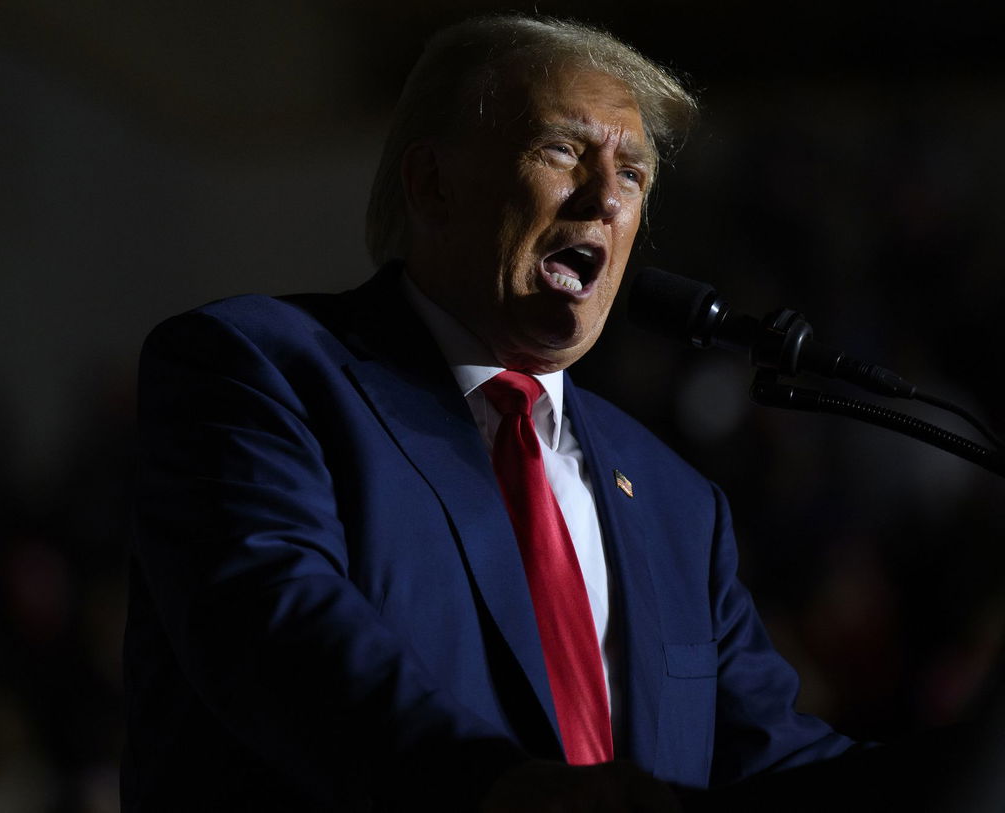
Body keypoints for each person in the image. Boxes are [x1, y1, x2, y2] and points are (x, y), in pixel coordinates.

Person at [122, 14, 855, 812]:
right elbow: (280, 638)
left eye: (634, 174)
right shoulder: (259, 370)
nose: (605, 196)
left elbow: (779, 761)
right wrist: (495, 787)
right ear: (431, 183)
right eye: (563, 150)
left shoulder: (679, 505)